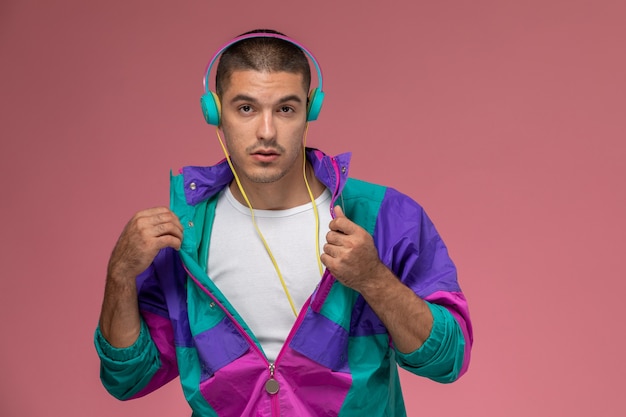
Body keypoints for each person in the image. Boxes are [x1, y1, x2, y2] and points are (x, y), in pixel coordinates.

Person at [95, 29, 473, 416]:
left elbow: (448, 359)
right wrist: (120, 274)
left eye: (285, 109)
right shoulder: (187, 235)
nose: (266, 131)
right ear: (214, 112)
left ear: (310, 109)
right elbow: (129, 377)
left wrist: (373, 278)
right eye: (246, 108)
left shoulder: (385, 216)